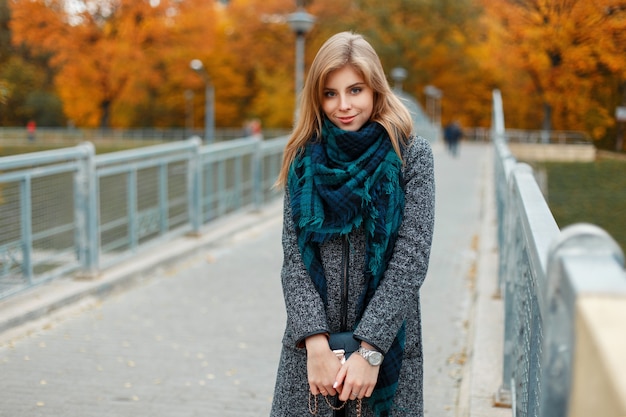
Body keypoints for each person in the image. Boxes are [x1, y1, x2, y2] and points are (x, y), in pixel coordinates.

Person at [271, 32, 435, 417]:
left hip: (386, 349)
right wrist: (314, 343)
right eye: (330, 94)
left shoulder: (411, 155)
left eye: (355, 90)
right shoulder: (302, 158)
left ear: (376, 89)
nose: (343, 106)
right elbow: (293, 259)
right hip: (313, 356)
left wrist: (369, 350)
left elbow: (412, 258)